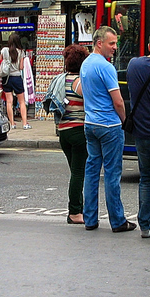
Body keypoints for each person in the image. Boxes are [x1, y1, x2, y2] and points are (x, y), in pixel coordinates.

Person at [80, 25, 136, 232]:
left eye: (116, 43)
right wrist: (124, 121)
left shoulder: (85, 64)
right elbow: (118, 101)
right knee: (112, 174)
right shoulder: (106, 67)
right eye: (111, 43)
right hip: (109, 125)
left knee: (92, 171)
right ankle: (118, 220)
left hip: (90, 124)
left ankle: (90, 219)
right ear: (99, 43)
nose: (115, 47)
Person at [126, 31, 150, 244]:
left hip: (140, 131)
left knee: (145, 178)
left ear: (148, 45)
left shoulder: (133, 65)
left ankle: (144, 225)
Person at [58, 43, 89, 225]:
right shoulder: (80, 82)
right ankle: (75, 212)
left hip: (63, 131)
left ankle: (79, 208)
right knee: (78, 173)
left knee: (75, 172)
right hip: (78, 130)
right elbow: (90, 102)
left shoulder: (61, 79)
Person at [0, 31, 30, 129]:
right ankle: (25, 123)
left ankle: (12, 123)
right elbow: (21, 67)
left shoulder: (4, 50)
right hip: (17, 78)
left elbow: (0, 61)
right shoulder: (21, 52)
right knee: (21, 101)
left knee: (9, 101)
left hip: (6, 78)